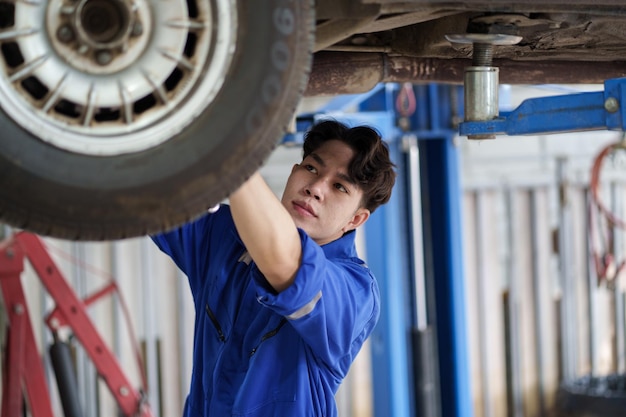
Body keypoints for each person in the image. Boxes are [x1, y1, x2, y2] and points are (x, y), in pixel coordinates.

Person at [152, 119, 396, 417]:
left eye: (339, 187)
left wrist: (230, 155)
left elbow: (287, 263)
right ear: (294, 171)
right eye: (311, 168)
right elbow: (148, 195)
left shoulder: (355, 293)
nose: (316, 188)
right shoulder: (223, 236)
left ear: (355, 220)